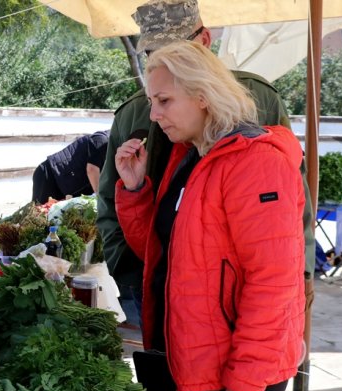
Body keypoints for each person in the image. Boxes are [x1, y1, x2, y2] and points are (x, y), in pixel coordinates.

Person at [115, 41, 305, 391]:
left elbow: (274, 281)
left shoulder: (257, 162)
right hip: (192, 362)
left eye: (164, 100)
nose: (154, 115)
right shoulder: (193, 157)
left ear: (203, 94)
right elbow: (164, 255)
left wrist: (246, 379)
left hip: (230, 372)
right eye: (152, 101)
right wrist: (135, 191)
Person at [96, 0, 315, 334]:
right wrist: (131, 274)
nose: (165, 63)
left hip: (235, 294)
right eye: (153, 53)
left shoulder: (256, 99)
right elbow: (111, 201)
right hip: (156, 285)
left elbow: (291, 204)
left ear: (205, 41)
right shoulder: (137, 113)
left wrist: (303, 274)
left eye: (178, 50)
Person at [31, 130, 110, 204]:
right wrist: (101, 199)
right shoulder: (102, 139)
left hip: (66, 188)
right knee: (38, 215)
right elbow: (92, 169)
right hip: (49, 176)